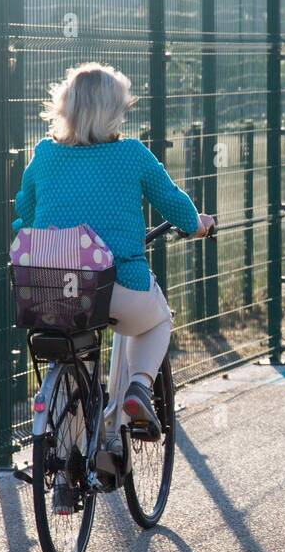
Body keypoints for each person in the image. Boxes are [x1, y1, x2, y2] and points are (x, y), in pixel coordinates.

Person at [11, 62, 214, 431]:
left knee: (75, 356)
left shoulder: (44, 154)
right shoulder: (132, 154)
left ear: (65, 108)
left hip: (52, 289)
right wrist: (196, 224)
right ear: (114, 111)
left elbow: (24, 209)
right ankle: (138, 387)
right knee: (157, 322)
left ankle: (67, 471)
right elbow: (171, 201)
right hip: (118, 284)